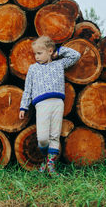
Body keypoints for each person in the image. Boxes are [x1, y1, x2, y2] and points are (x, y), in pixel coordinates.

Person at [19, 35, 81, 175]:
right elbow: (27, 89)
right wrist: (24, 106)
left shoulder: (59, 64)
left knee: (54, 136)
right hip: (41, 105)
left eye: (39, 53)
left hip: (58, 104)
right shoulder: (33, 69)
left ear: (50, 51)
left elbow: (76, 55)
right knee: (42, 138)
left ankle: (50, 166)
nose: (36, 56)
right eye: (35, 53)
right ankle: (45, 159)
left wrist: (59, 51)